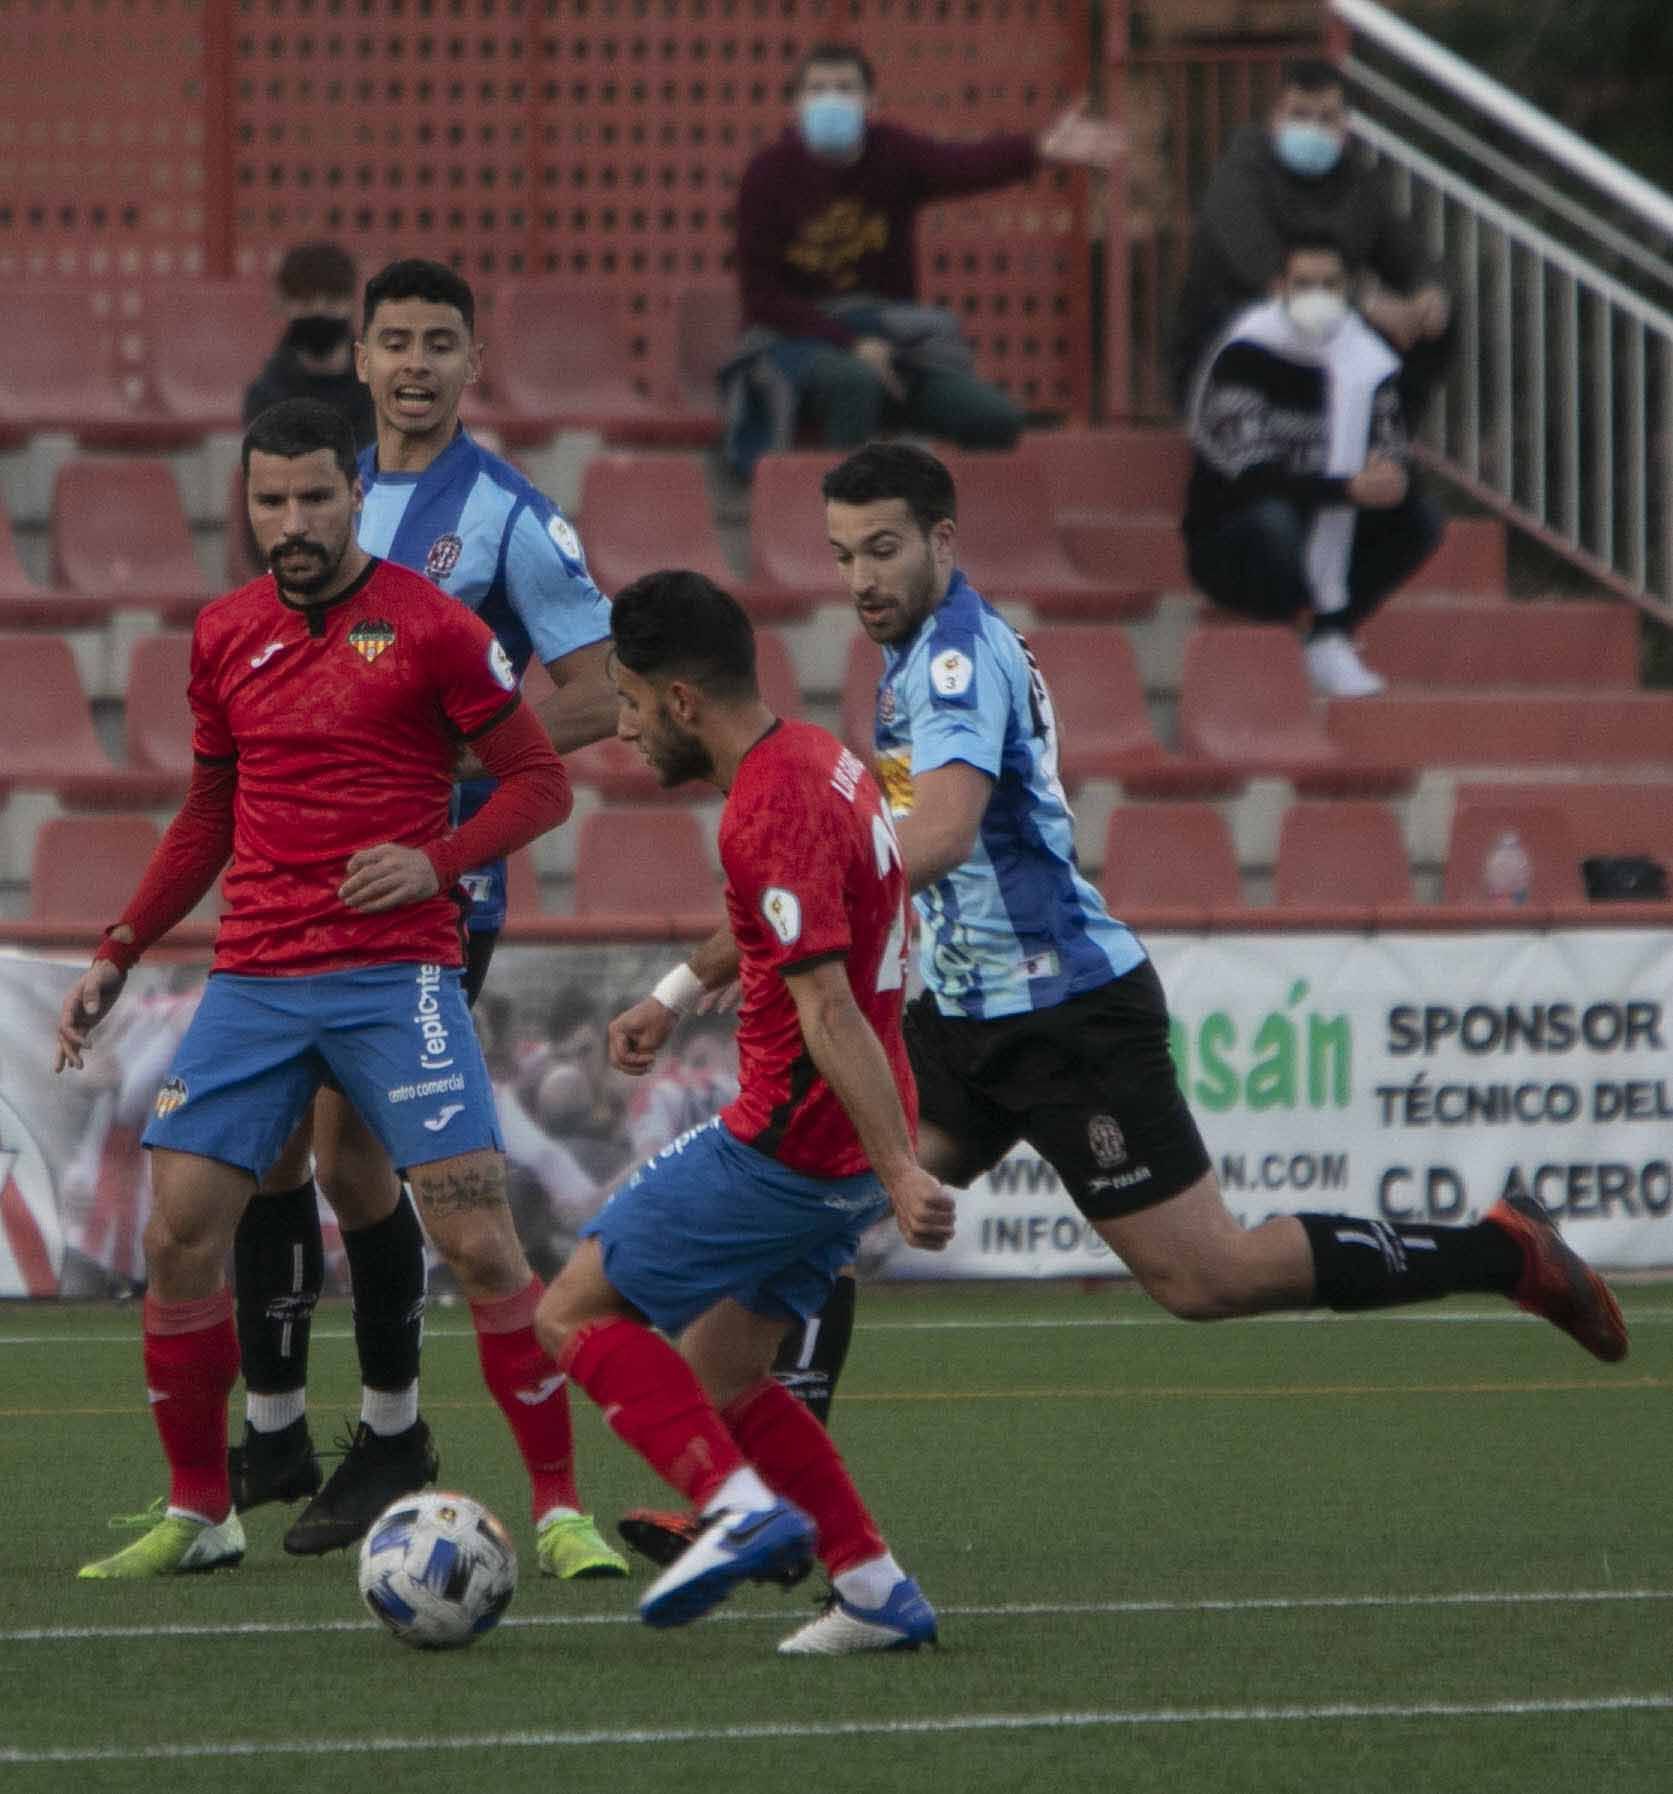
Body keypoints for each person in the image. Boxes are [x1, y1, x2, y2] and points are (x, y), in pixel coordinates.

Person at [606, 442, 1628, 1568]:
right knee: (816, 1206)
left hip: (1062, 1016)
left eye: (884, 549)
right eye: (844, 555)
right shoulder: (912, 663)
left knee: (1206, 1278)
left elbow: (929, 837)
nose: (861, 578)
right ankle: (752, 1502)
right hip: (961, 1016)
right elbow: (823, 880)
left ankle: (1499, 1251)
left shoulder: (950, 663)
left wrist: (757, 915)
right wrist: (686, 977)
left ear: (944, 542)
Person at [60, 398, 590, 1580]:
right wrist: (122, 945)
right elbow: (206, 812)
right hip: (255, 973)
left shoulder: (434, 627)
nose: (290, 523)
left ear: (354, 495)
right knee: (178, 1231)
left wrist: (436, 860)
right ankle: (202, 1511)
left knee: (483, 1240)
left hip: (397, 974)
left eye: (311, 498)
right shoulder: (223, 633)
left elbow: (538, 784)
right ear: (243, 506)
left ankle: (557, 1511)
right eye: (268, 502)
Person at [227, 259, 627, 1578]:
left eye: (437, 343)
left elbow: (597, 689)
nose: (411, 363)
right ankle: (277, 1433)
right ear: (360, 351)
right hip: (290, 879)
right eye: (391, 339)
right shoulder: (311, 485)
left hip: (430, 883)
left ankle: (391, 1432)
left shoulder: (507, 517)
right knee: (280, 1154)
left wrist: (443, 762)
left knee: (352, 1163)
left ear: (471, 363)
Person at [533, 569, 950, 1654]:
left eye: (626, 703)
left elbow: (825, 1004)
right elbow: (782, 933)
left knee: (572, 1314)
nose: (618, 728)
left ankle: (738, 1509)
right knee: (726, 1375)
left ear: (678, 700)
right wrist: (673, 996)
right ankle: (872, 1589)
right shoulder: (820, 762)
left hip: (792, 1144)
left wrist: (899, 1168)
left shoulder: (767, 805)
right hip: (839, 1150)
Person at [723, 40, 1122, 475]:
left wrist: (1038, 150)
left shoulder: (891, 153)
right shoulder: (767, 175)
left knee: (994, 418)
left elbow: (961, 163)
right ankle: (846, 525)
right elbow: (762, 299)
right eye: (818, 89)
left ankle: (947, 525)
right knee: (853, 382)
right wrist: (850, 343)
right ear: (796, 105)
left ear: (870, 102)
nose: (832, 99)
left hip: (887, 336)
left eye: (845, 88)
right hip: (793, 340)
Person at [1182, 233, 1446, 698]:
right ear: (1278, 287)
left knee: (1421, 520)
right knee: (1273, 521)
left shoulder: (1369, 362)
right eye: (1304, 283)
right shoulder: (1245, 353)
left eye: (1330, 284)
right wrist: (1346, 488)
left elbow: (1391, 452)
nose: (1317, 296)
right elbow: (1249, 476)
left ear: (1347, 291)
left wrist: (1388, 480)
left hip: (1328, 523)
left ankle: (1330, 633)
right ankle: (1294, 637)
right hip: (1234, 536)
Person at [1167, 56, 1453, 416]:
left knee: (1437, 327)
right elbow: (1262, 269)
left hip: (1329, 337)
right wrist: (1367, 302)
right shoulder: (1240, 176)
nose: (1313, 128)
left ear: (1345, 126)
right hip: (1236, 337)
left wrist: (1429, 292)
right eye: (1300, 115)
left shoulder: (1356, 183)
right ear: (1274, 119)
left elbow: (1409, 250)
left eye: (1327, 118)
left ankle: (1389, 440)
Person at [242, 242, 375, 448]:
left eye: (332, 301)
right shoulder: (266, 395)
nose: (319, 311)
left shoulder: (379, 387)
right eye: (306, 302)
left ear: (352, 302)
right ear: (282, 304)